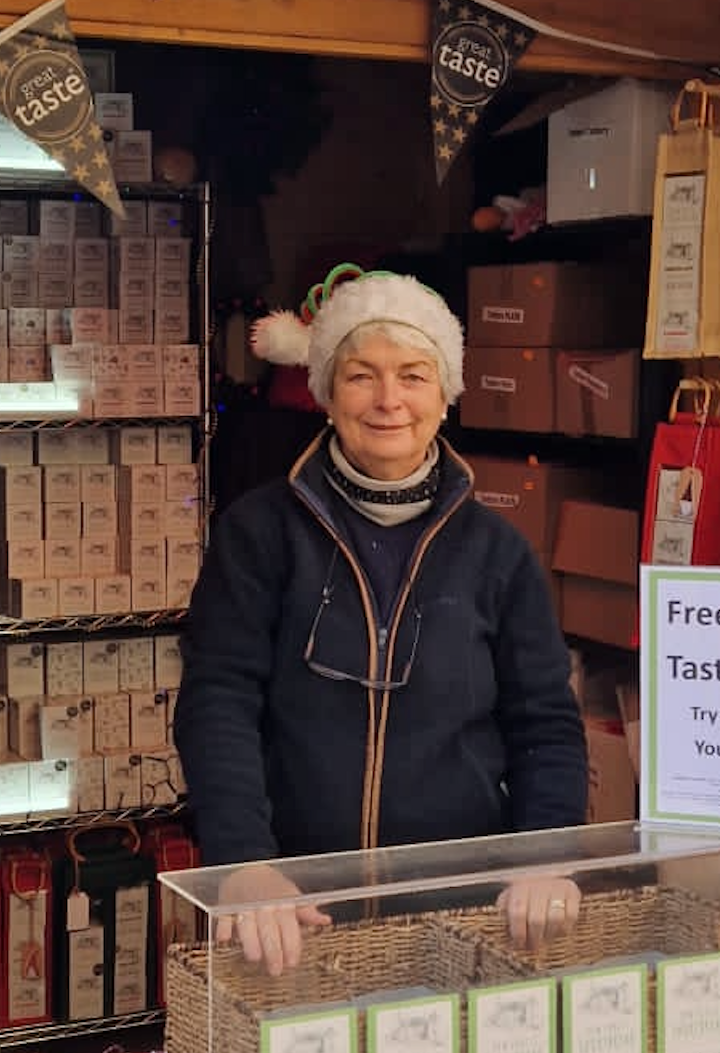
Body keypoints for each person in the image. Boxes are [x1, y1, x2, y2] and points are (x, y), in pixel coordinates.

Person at [175, 267, 587, 976]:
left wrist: (545, 859)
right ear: (328, 394)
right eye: (362, 375)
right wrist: (242, 866)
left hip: (462, 917)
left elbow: (545, 723)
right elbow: (219, 702)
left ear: (446, 395)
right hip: (291, 917)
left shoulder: (499, 554)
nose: (390, 400)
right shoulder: (259, 533)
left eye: (415, 375)